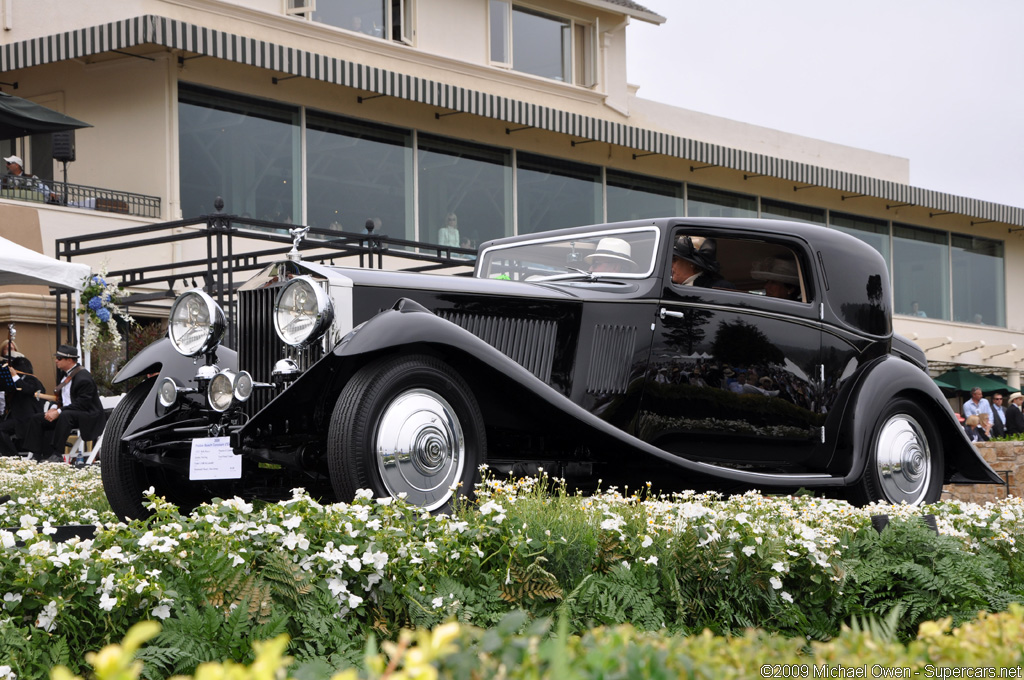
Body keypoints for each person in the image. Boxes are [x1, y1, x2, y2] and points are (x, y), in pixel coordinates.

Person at [20, 345, 104, 463]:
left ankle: (57, 454)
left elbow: (82, 404)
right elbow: (62, 398)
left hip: (87, 414)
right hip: (70, 411)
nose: (56, 360)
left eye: (59, 358)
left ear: (69, 360)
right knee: (37, 418)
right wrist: (54, 408)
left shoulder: (83, 377)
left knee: (65, 415)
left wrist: (59, 412)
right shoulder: (66, 374)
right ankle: (36, 455)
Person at [0, 357, 45, 457]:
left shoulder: (33, 380)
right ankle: (11, 455)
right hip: (17, 418)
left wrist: (15, 376)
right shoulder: (15, 382)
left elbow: (28, 390)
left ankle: (12, 457)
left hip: (28, 419)